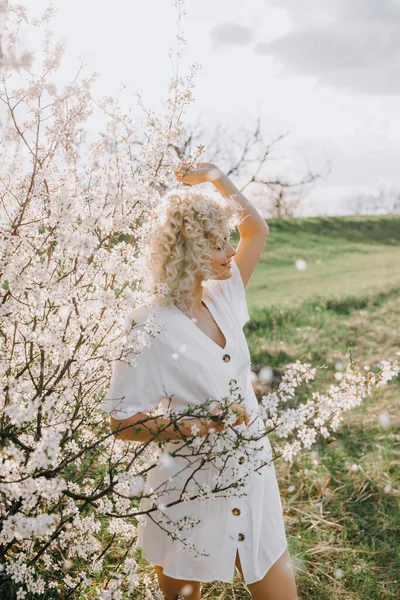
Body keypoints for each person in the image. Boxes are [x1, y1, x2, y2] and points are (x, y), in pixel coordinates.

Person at [101, 163, 299, 600]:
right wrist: (197, 424)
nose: (229, 251)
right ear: (187, 251)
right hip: (190, 487)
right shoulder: (148, 326)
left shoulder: (224, 296)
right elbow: (121, 422)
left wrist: (216, 178)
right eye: (215, 244)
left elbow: (258, 232)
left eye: (226, 239)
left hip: (252, 474)